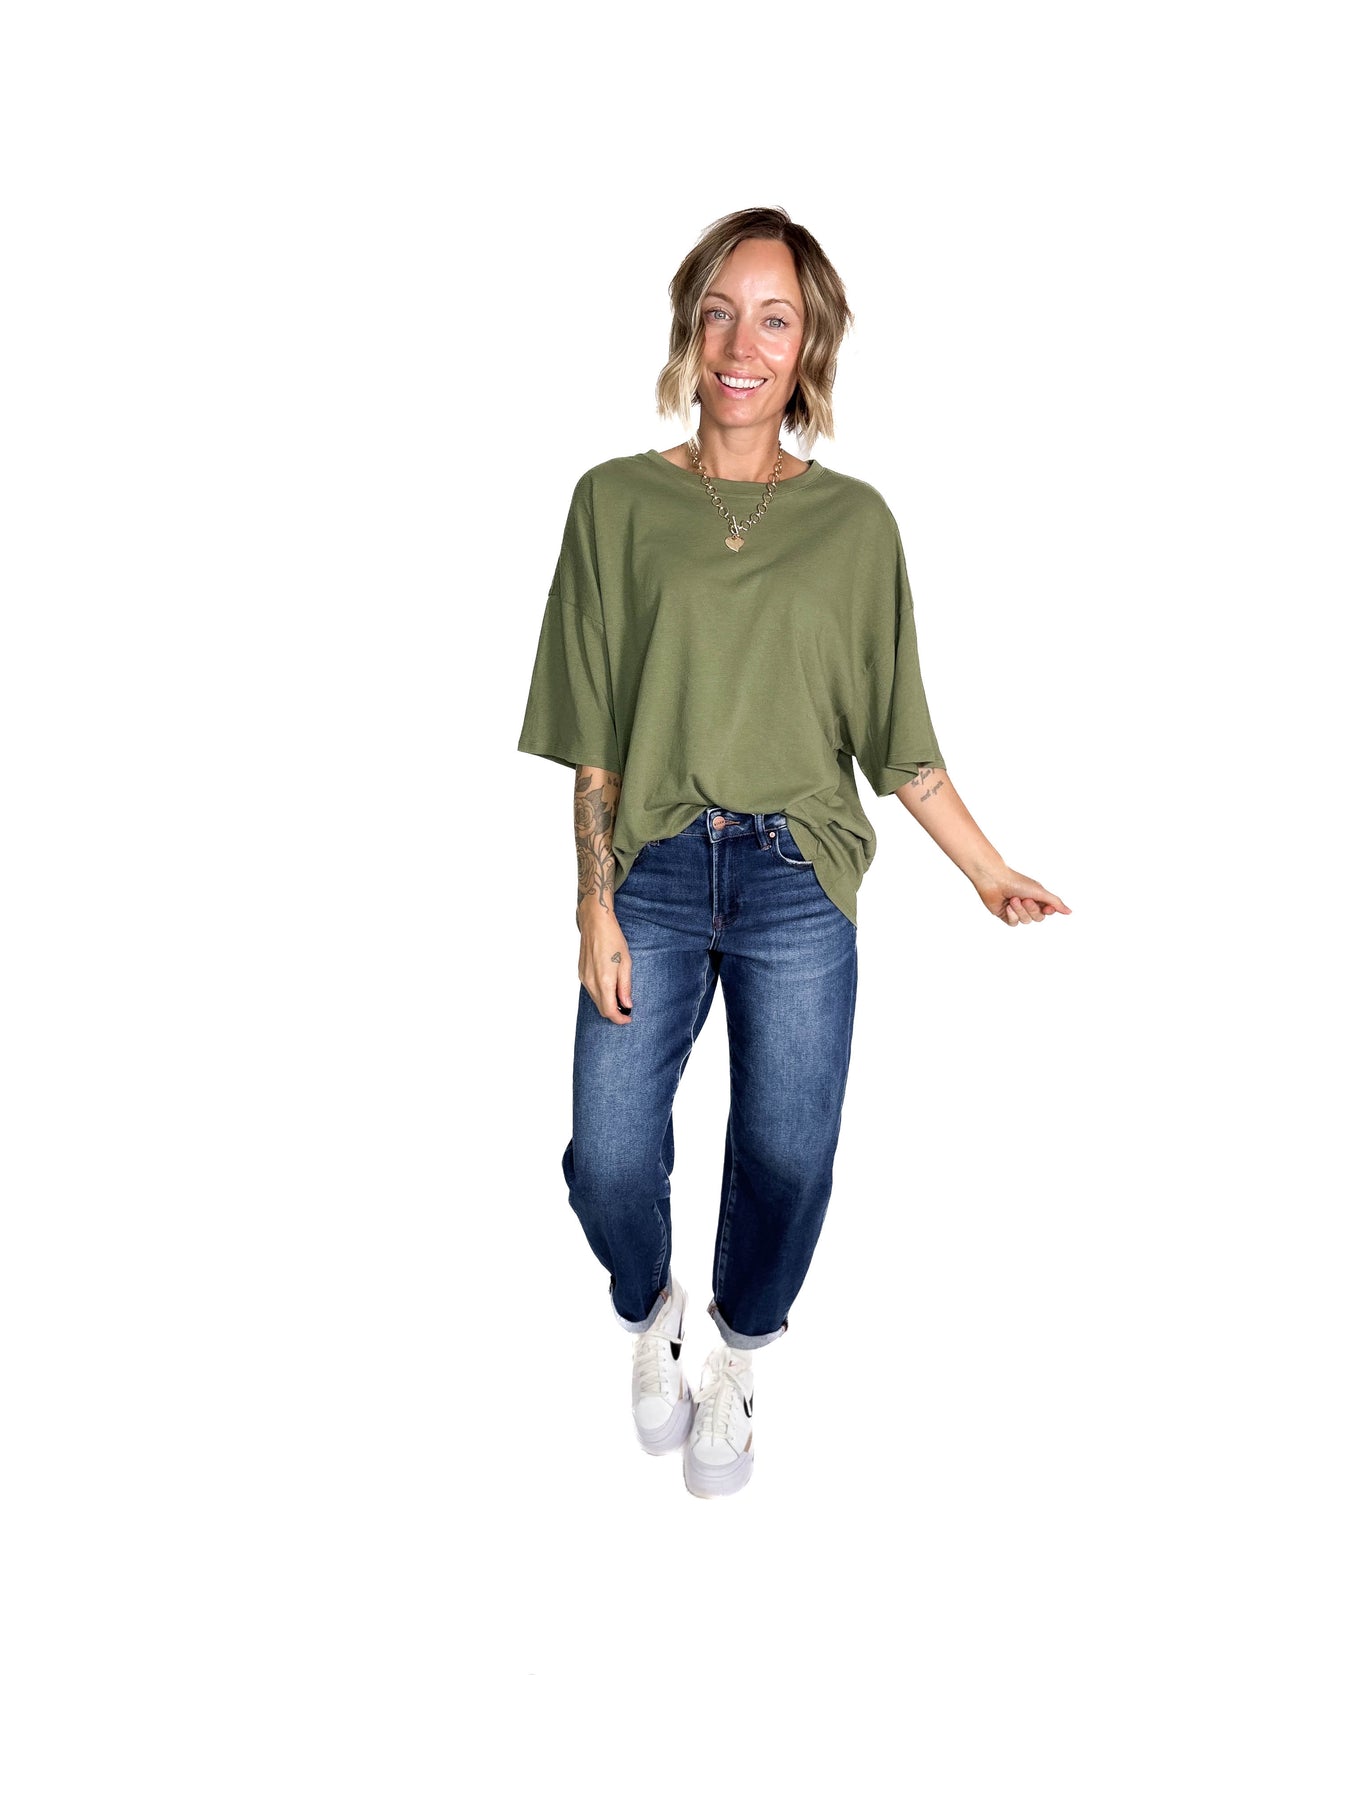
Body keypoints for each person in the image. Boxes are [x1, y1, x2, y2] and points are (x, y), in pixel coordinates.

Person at [516, 206, 1070, 1500]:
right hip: (653, 869)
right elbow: (595, 736)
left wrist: (987, 870)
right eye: (719, 312)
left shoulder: (854, 524)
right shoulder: (613, 502)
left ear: (809, 344)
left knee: (788, 1157)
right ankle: (650, 1307)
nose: (741, 344)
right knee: (607, 1154)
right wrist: (592, 904)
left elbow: (899, 742)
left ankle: (742, 1351)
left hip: (794, 879)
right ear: (688, 327)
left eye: (773, 318)